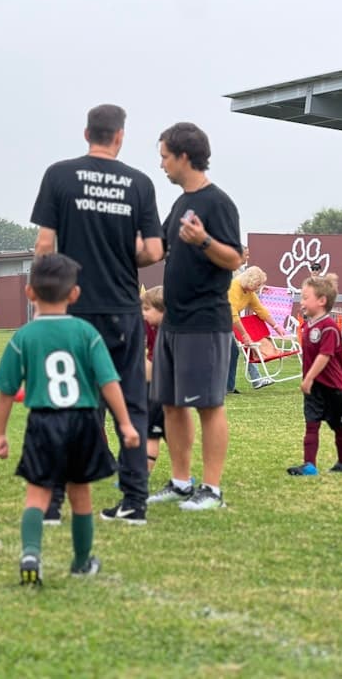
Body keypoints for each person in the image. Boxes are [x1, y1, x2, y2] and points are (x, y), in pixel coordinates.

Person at [31, 104, 163, 526]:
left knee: (62, 401)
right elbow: (154, 251)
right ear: (120, 136)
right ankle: (134, 502)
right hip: (122, 309)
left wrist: (43, 303)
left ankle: (51, 505)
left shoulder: (59, 175)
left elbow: (44, 245)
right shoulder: (139, 183)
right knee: (131, 405)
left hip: (71, 307)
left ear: (87, 132)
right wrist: (123, 253)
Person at [0, 254, 139, 585]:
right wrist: (126, 424)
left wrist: (0, 434)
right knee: (81, 496)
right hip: (84, 423)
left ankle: (31, 552)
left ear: (30, 293)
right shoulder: (86, 332)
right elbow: (108, 383)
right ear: (74, 294)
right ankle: (82, 562)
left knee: (37, 496)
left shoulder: (24, 337)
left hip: (43, 422)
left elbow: (6, 391)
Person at [149, 122, 242, 511]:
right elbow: (156, 249)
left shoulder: (217, 202)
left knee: (208, 404)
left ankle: (212, 490)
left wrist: (204, 240)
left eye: (165, 157)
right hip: (174, 321)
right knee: (171, 403)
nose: (162, 165)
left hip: (206, 320)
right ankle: (181, 482)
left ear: (184, 156)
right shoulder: (178, 204)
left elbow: (235, 258)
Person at [288, 274, 342, 475]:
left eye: (306, 297)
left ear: (322, 301)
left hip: (333, 387)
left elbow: (324, 356)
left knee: (339, 427)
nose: (302, 302)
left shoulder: (329, 328)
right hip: (315, 388)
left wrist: (308, 378)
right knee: (311, 424)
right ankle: (309, 464)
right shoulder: (308, 326)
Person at [227, 266, 286, 393]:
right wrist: (244, 334)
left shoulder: (249, 292)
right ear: (251, 281)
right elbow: (232, 314)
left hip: (230, 321)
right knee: (232, 351)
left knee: (244, 348)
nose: (259, 288)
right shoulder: (233, 287)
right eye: (258, 284)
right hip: (218, 321)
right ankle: (226, 387)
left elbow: (260, 310)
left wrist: (276, 326)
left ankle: (252, 381)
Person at [142, 286, 166, 473]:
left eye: (147, 309)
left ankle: (140, 477)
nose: (143, 314)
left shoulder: (171, 332)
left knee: (152, 433)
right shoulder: (149, 325)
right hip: (153, 386)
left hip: (165, 389)